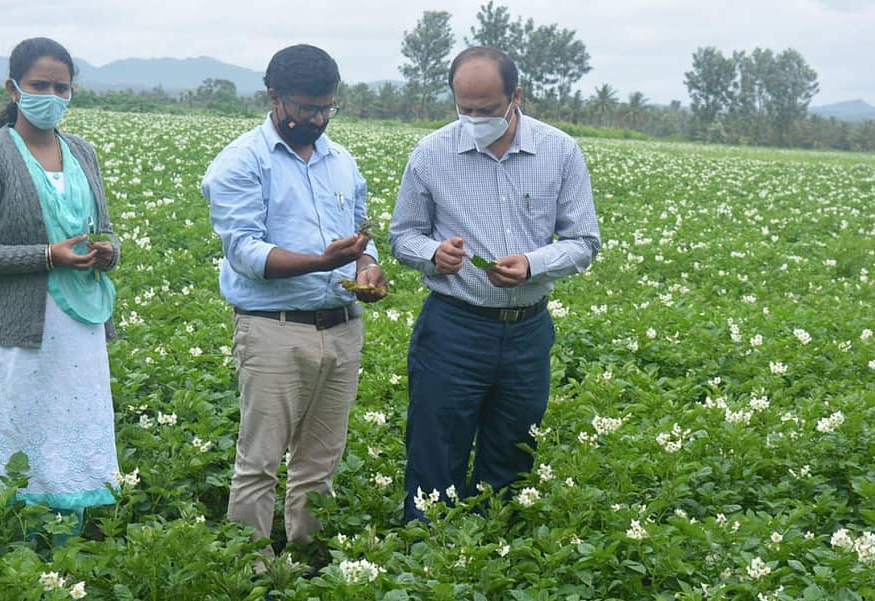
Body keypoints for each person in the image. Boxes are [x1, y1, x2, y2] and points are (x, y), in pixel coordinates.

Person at [389, 47, 600, 522]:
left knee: (513, 451)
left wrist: (532, 264)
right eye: (465, 109)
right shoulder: (431, 153)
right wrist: (433, 255)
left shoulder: (560, 151)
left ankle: (494, 555)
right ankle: (428, 558)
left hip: (527, 330)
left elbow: (584, 241)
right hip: (454, 326)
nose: (475, 118)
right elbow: (403, 236)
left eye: (485, 109)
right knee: (435, 450)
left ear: (515, 96)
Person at [201, 44, 387, 571]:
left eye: (327, 108)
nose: (317, 119)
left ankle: (307, 561)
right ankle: (252, 567)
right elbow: (244, 252)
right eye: (306, 108)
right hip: (272, 331)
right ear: (274, 96)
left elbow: (360, 233)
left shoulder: (342, 161)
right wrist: (318, 261)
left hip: (342, 326)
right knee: (259, 460)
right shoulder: (240, 162)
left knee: (320, 460)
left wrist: (366, 267)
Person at [0, 37, 121, 533]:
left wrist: (108, 253)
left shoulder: (81, 150)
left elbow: (106, 230)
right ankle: (24, 536)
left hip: (81, 325)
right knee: (24, 429)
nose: (51, 95)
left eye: (61, 87)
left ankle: (74, 535)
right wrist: (46, 256)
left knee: (76, 426)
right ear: (14, 88)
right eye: (40, 85)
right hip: (20, 326)